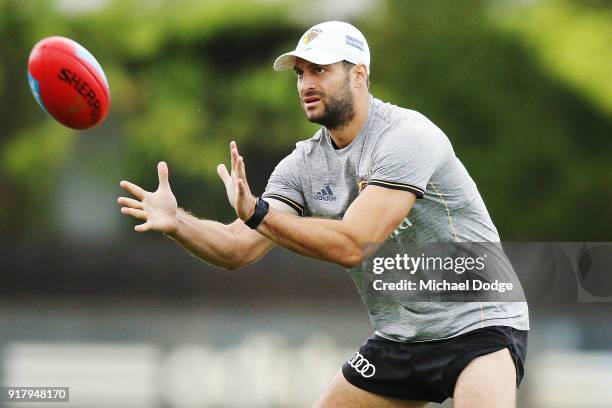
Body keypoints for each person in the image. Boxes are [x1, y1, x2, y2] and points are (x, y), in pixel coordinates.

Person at [118, 21, 529, 407]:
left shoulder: (408, 137)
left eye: (319, 70)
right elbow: (237, 248)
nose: (306, 84)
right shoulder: (302, 165)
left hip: (479, 324)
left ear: (359, 75)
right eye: (300, 73)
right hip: (401, 338)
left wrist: (259, 214)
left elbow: (353, 244)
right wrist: (178, 223)